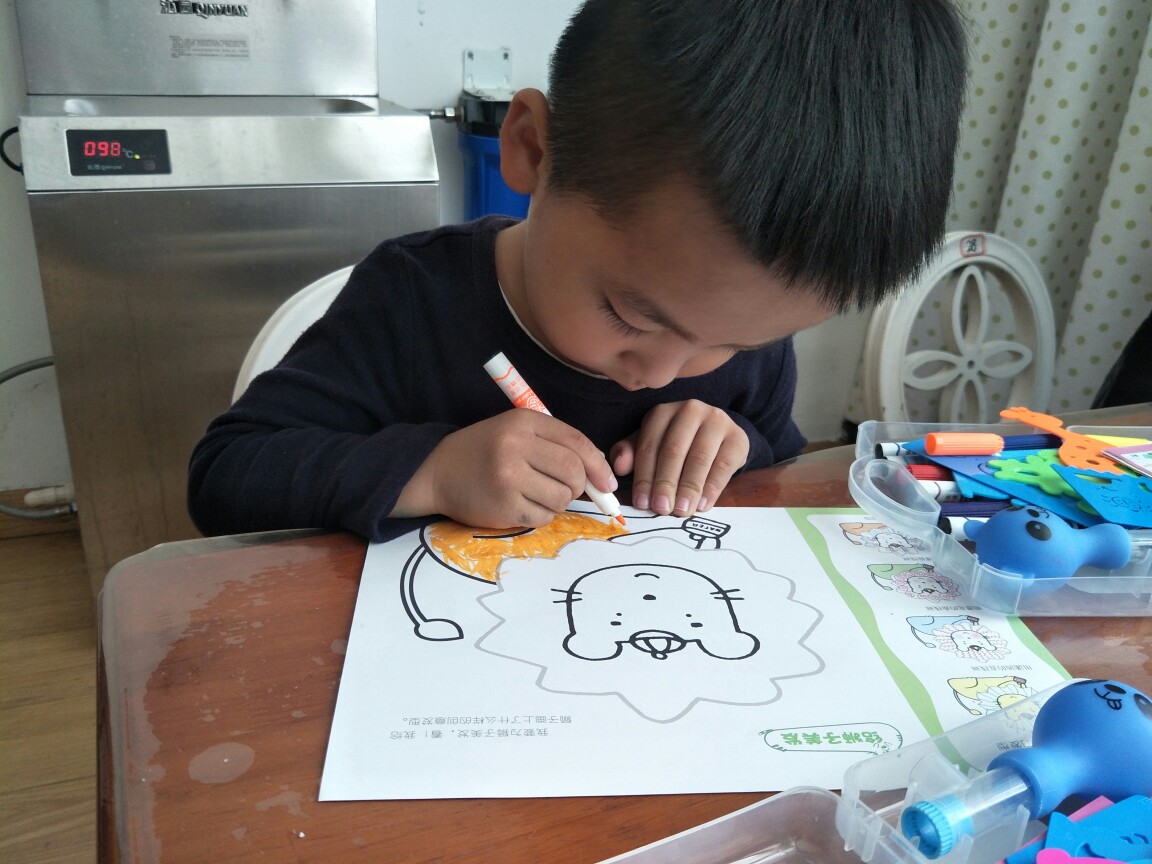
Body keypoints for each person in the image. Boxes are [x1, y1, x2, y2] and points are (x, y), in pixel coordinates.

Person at [188, 0, 969, 543]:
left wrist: (734, 447)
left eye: (733, 346)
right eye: (631, 316)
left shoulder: (739, 333)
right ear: (531, 149)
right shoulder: (410, 301)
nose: (661, 373)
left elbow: (774, 461)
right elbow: (227, 477)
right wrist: (431, 471)